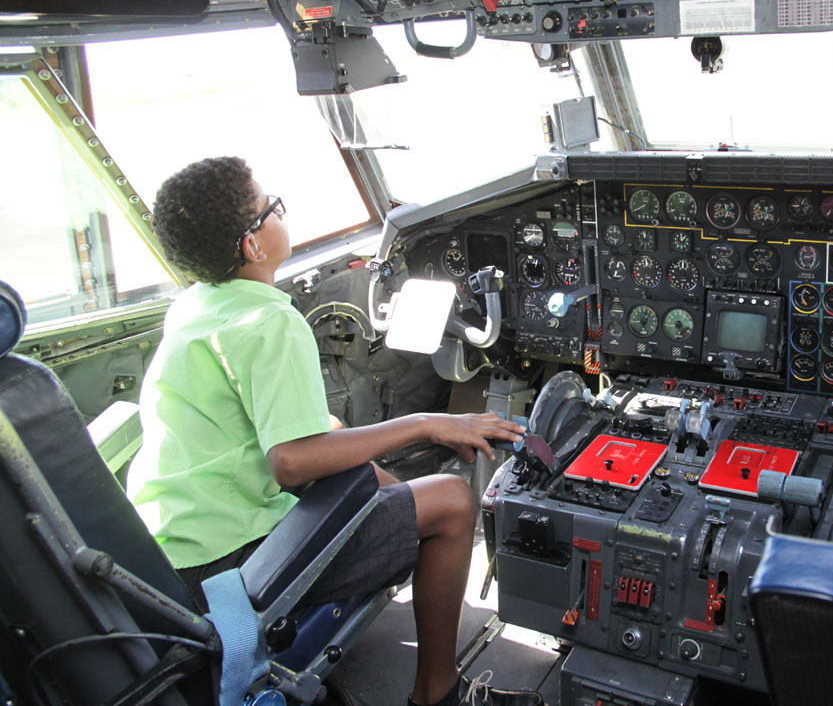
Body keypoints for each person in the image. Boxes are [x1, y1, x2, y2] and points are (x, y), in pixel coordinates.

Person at [128, 157, 542, 706]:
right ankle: (437, 692)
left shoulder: (197, 305)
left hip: (167, 547)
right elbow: (292, 463)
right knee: (452, 500)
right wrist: (428, 422)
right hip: (227, 563)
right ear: (252, 246)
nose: (280, 213)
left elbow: (284, 429)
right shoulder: (269, 321)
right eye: (270, 207)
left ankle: (405, 537)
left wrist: (373, 468)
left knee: (355, 454)